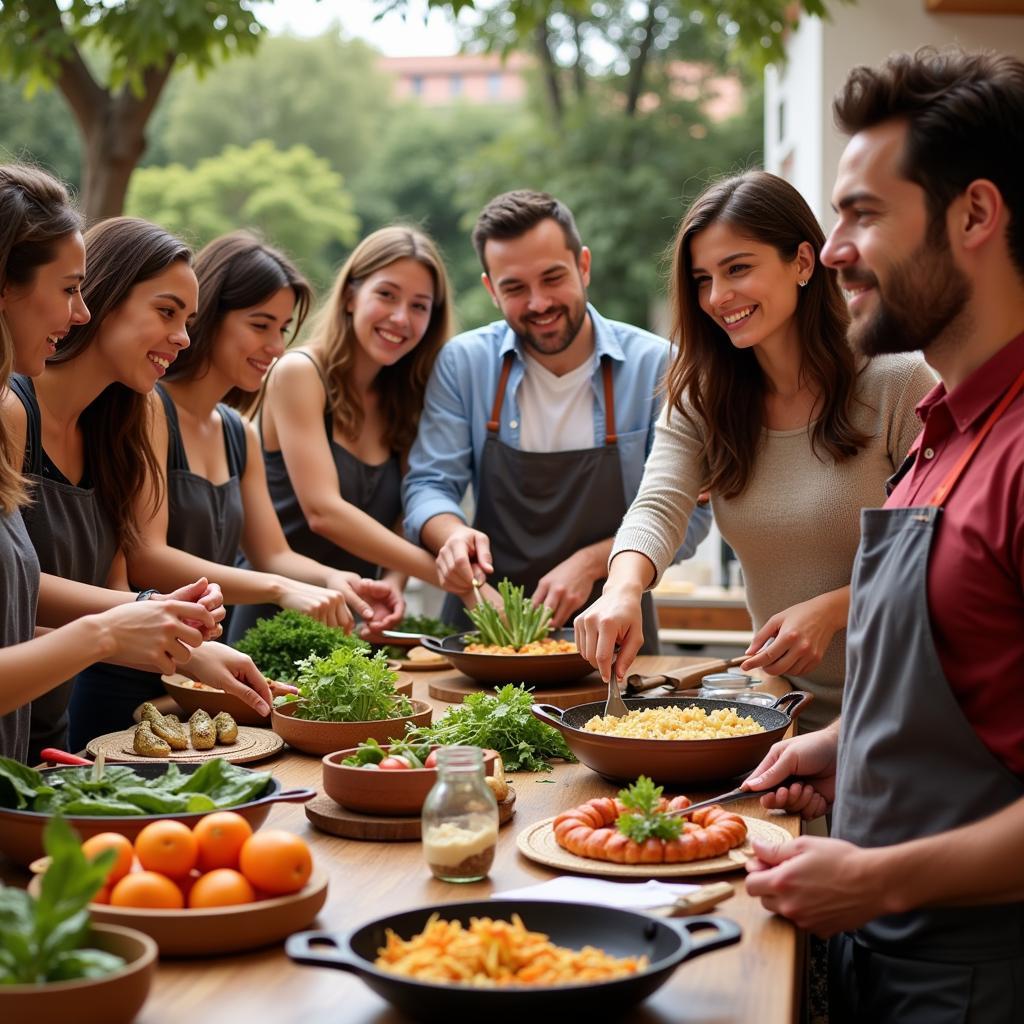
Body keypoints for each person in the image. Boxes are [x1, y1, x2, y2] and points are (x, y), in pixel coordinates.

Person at [741, 48, 1024, 1022]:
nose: (830, 250)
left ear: (974, 215)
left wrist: (878, 880)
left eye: (861, 213)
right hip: (883, 960)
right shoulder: (945, 429)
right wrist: (844, 748)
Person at [573, 172, 934, 727]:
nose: (718, 297)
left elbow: (942, 551)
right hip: (776, 711)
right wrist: (622, 587)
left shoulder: (898, 382)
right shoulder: (700, 396)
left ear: (804, 263)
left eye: (738, 268)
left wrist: (834, 611)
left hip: (905, 709)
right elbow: (657, 506)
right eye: (702, 279)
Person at [0, 165, 262, 763]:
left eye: (188, 322)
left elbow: (86, 596)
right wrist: (142, 617)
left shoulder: (126, 423)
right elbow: (33, 598)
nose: (182, 339)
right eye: (167, 313)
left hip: (40, 742)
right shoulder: (14, 410)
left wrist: (178, 637)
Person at [402, 190, 711, 644]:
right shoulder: (463, 363)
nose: (539, 302)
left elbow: (691, 513)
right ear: (491, 290)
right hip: (481, 628)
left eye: (553, 278)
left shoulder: (659, 366)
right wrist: (450, 536)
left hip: (616, 636)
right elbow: (428, 484)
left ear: (583, 266)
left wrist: (592, 563)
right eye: (514, 288)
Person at [126, 231, 402, 644]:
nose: (276, 347)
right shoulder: (149, 408)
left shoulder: (239, 433)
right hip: (133, 661)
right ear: (209, 316)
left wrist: (332, 578)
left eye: (283, 329)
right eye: (260, 325)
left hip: (204, 667)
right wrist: (279, 588)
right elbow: (146, 557)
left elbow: (273, 555)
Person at [227, 225, 465, 642]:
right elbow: (324, 512)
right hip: (275, 617)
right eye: (387, 295)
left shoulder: (408, 398)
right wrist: (456, 581)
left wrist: (393, 581)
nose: (400, 318)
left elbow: (405, 512)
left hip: (357, 626)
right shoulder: (300, 372)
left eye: (419, 306)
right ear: (352, 295)